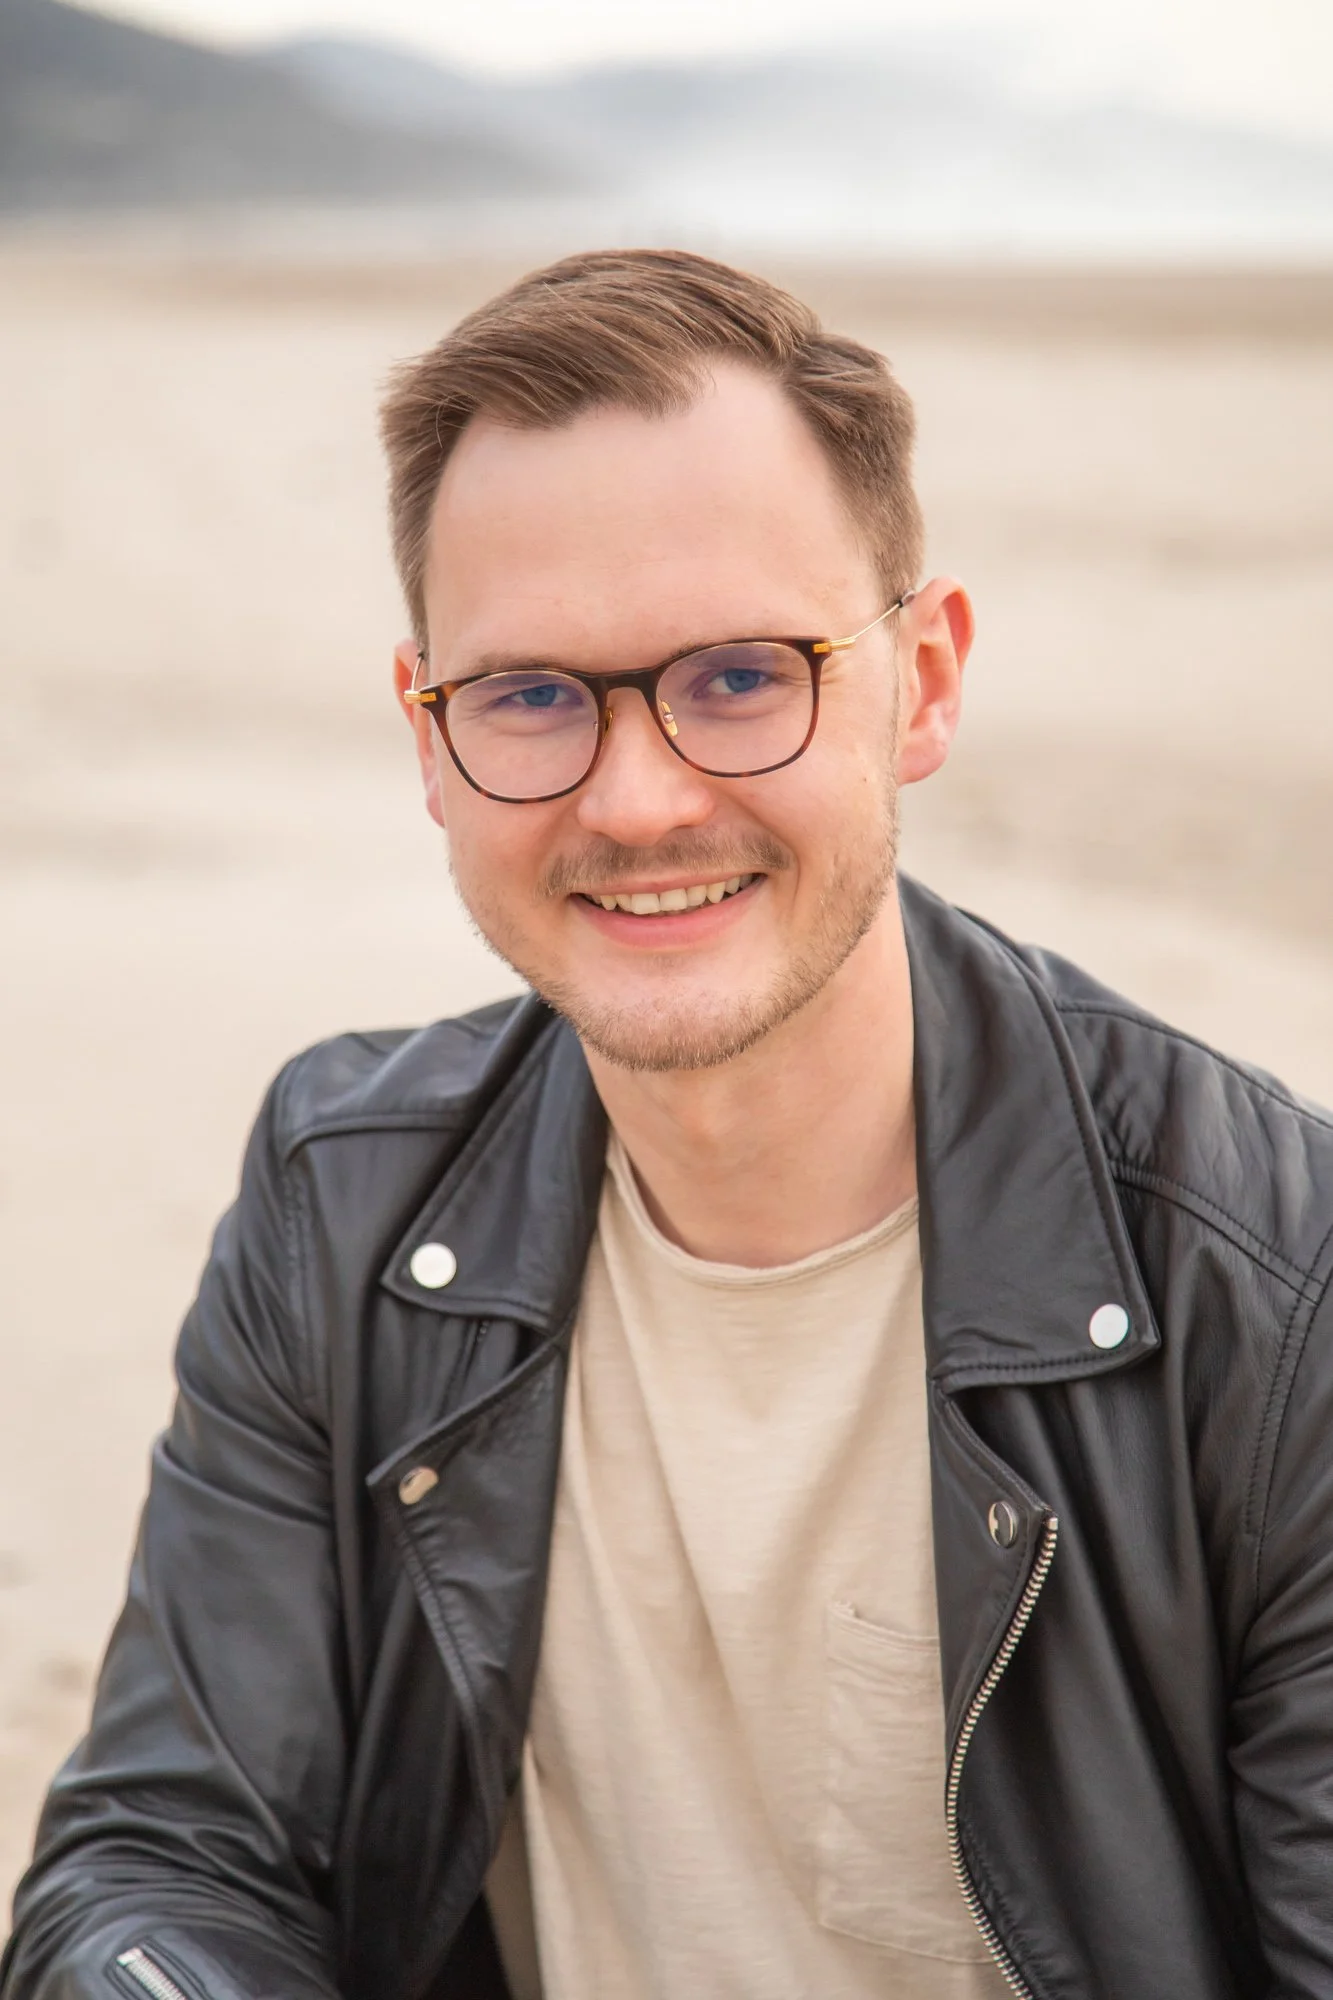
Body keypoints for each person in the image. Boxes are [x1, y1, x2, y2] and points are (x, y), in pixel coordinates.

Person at [5, 248, 1333, 2000]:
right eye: (532, 695)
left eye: (737, 676)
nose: (637, 801)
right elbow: (168, 1859)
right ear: (428, 735)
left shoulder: (1274, 1277)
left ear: (922, 683)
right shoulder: (342, 1205)